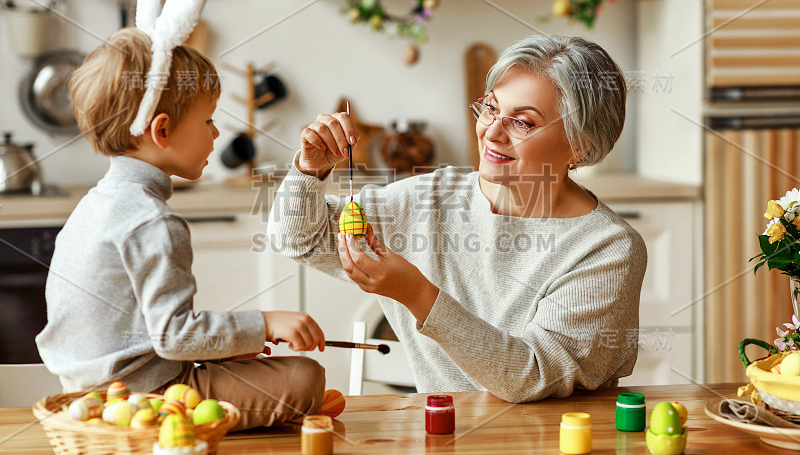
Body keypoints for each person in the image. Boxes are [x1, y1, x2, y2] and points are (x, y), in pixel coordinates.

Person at [268, 35, 647, 403]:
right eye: (491, 108)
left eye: (523, 123)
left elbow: (531, 376)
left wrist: (417, 294)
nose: (492, 133)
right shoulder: (428, 199)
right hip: (445, 435)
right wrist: (308, 171)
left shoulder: (607, 249)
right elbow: (300, 239)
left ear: (580, 146)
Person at [36, 28, 326, 430]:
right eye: (208, 120)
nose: (216, 133)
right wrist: (265, 322)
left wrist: (236, 343)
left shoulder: (94, 205)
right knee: (305, 378)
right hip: (145, 397)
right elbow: (175, 336)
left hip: (87, 392)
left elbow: (149, 332)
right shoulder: (152, 220)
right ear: (162, 131)